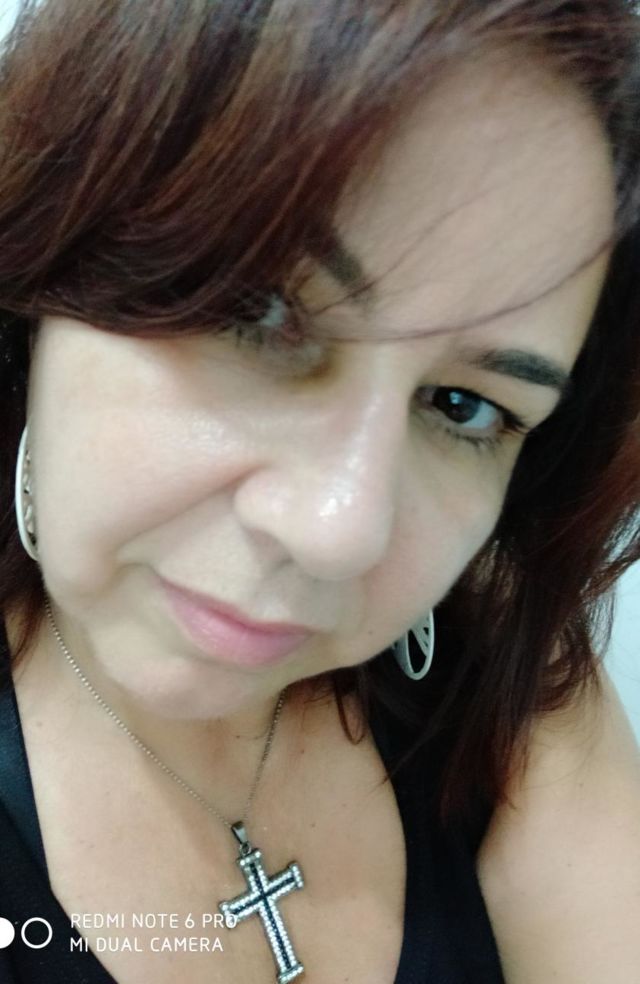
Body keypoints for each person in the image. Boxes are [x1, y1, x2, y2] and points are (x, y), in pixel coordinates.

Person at [0, 0, 639, 981]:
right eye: (257, 318)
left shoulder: (512, 686)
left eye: (464, 407)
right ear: (42, 273)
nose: (342, 529)